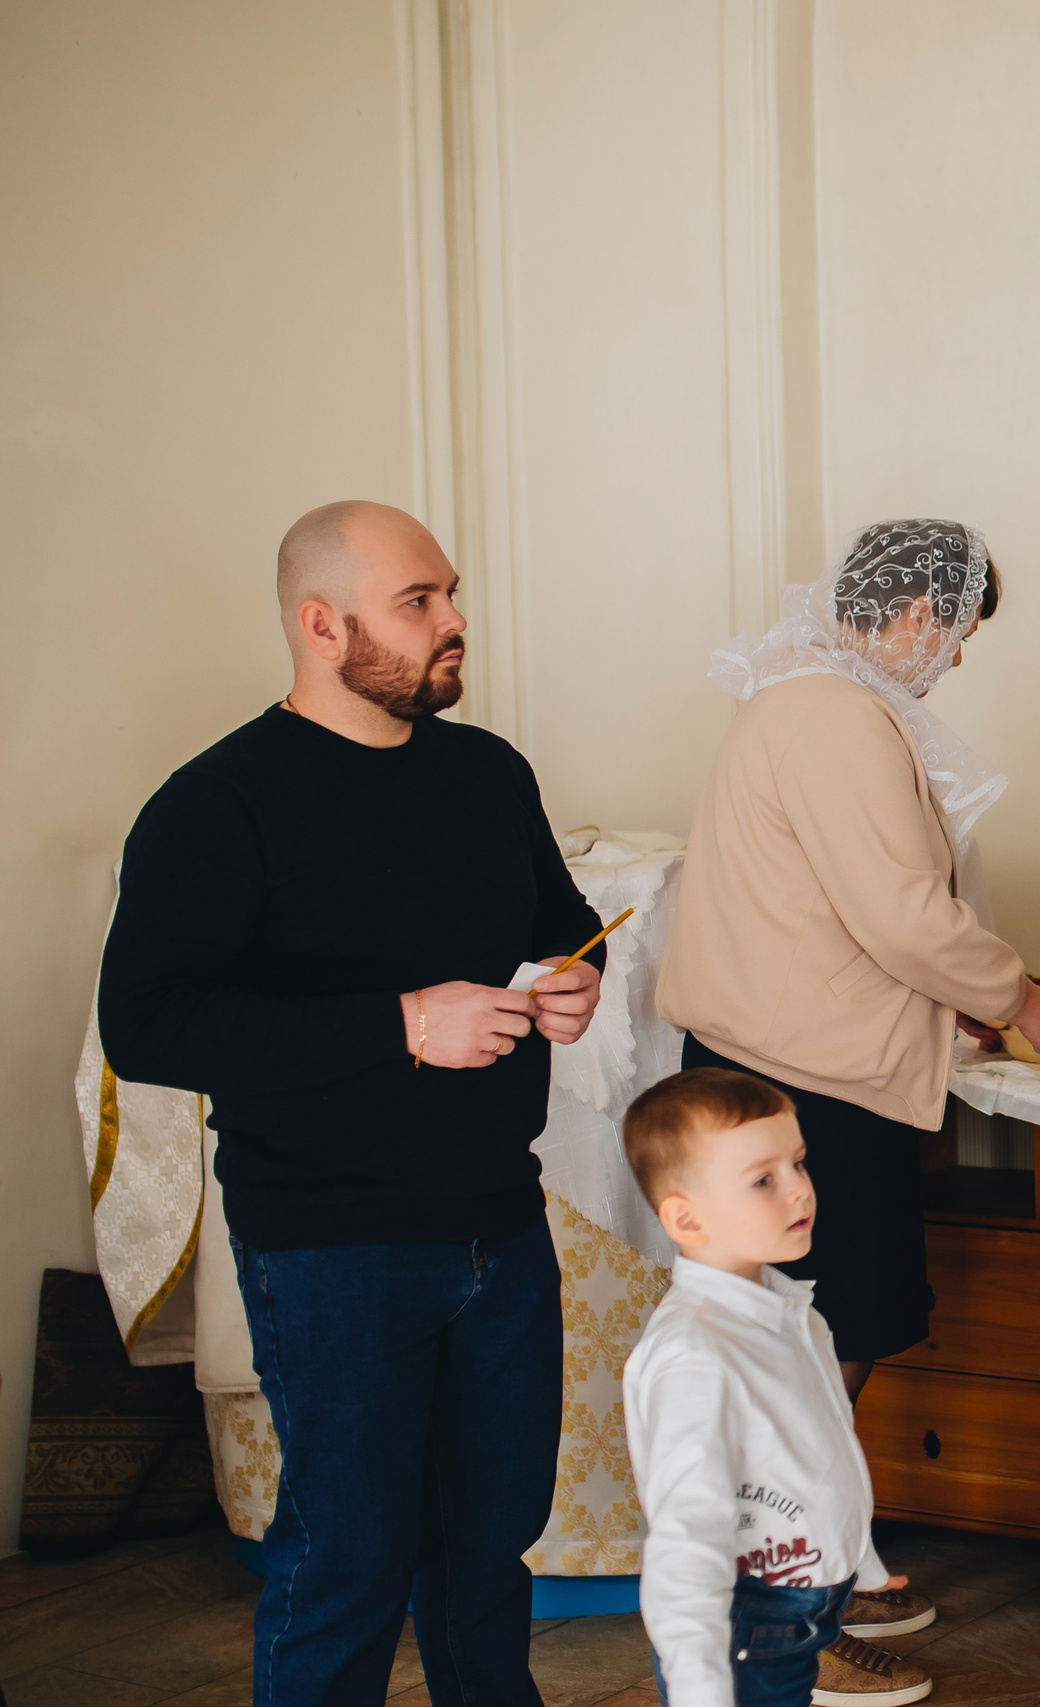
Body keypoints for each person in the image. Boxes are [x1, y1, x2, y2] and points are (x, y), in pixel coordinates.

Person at [97, 500, 606, 1706]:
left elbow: (558, 930)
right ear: (322, 627)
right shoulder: (215, 804)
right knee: (350, 1561)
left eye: (450, 594)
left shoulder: (488, 772)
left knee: (488, 1551)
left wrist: (574, 979)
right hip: (330, 1245)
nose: (455, 623)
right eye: (418, 603)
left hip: (499, 1225)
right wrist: (401, 1022)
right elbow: (151, 1025)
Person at [655, 519, 1040, 1642]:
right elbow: (898, 913)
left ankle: (829, 1561)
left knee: (811, 1345)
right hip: (808, 1088)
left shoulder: (806, 702)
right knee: (810, 1348)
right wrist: (1018, 1000)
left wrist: (962, 1001)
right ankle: (785, 1610)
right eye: (956, 635)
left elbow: (832, 913)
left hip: (799, 1068)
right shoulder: (832, 716)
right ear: (909, 617)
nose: (954, 661)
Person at [621, 1067, 933, 1706]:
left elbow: (823, 1452)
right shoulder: (693, 1355)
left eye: (799, 1163)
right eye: (763, 1179)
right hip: (743, 1615)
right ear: (685, 1217)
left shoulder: (791, 1307)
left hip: (802, 1600)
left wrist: (858, 1563)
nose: (800, 1192)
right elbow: (686, 1541)